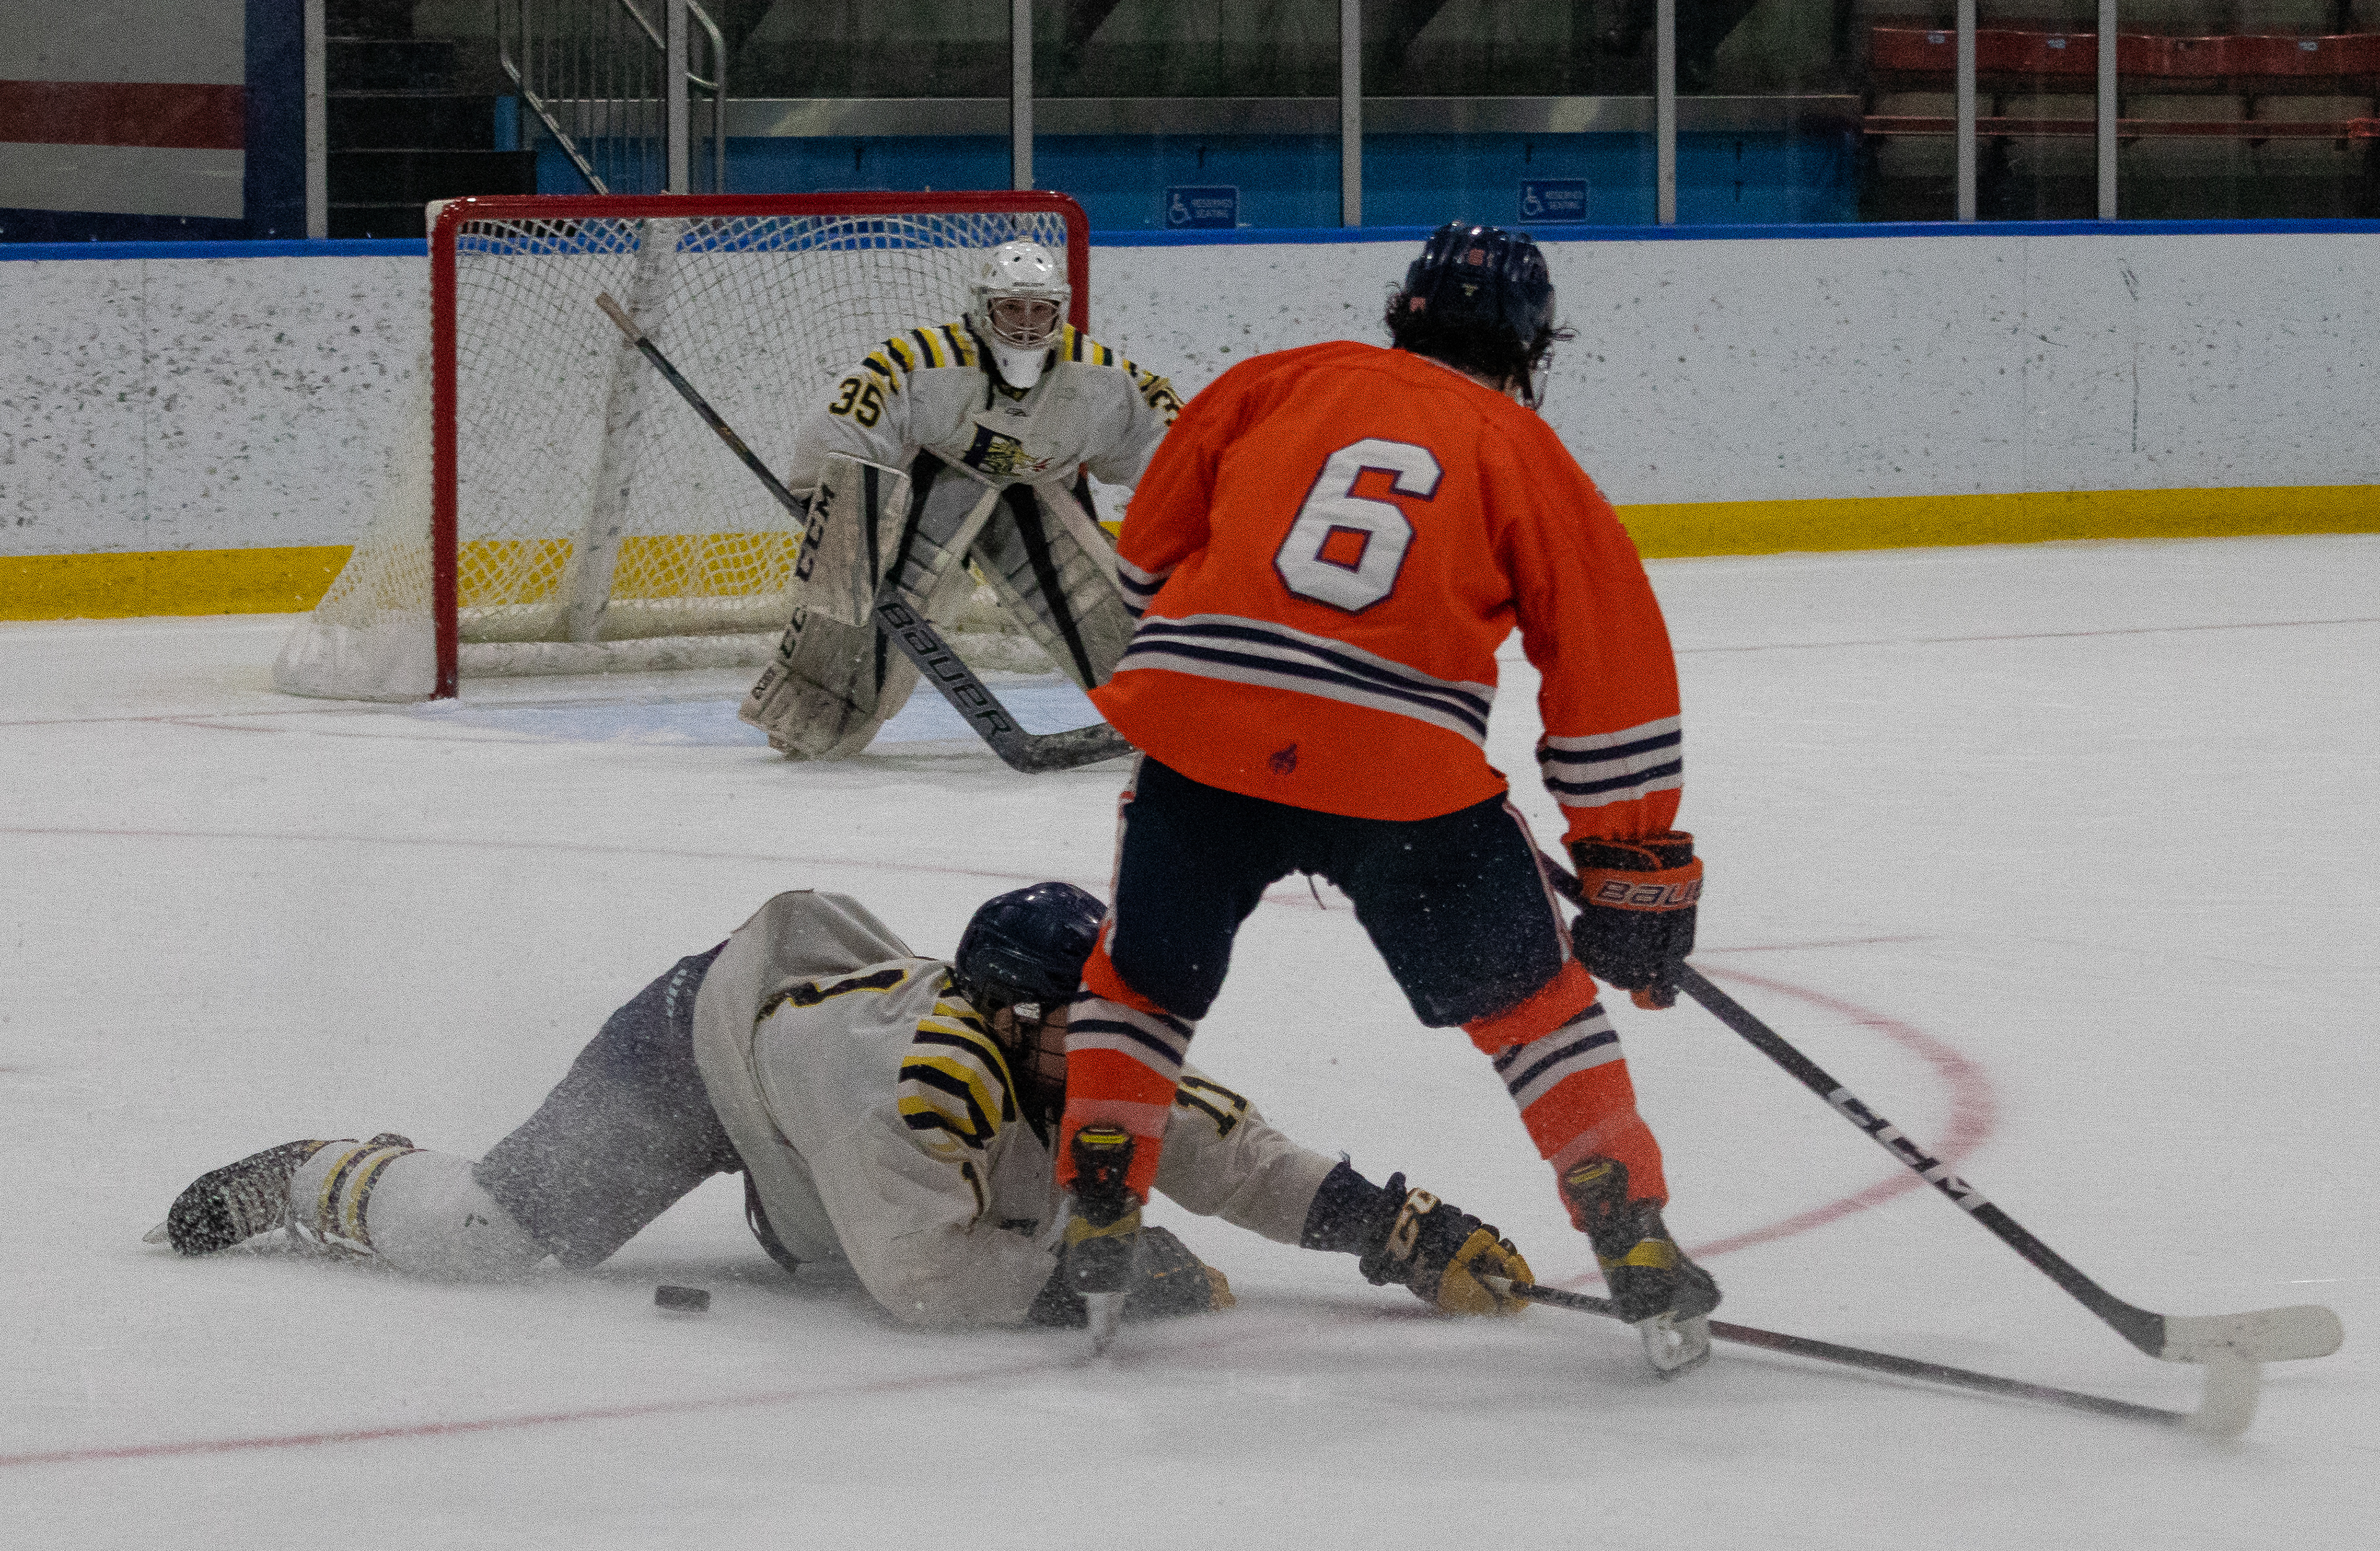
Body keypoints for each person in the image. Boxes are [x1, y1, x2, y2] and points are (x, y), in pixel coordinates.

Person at [1051, 222, 1721, 1368]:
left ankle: (1102, 1207)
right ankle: (1630, 1228)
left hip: (1201, 732)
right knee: (1532, 1007)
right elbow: (1609, 668)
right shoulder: (1523, 449)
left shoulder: (1273, 383)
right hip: (1401, 770)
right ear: (1527, 346)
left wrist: (1228, 669)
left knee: (1144, 979)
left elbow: (1145, 560)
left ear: (1404, 313)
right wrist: (1631, 863)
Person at [152, 884, 1532, 1330]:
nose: (1108, 1041)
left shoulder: (1075, 1044)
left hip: (811, 1144)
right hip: (702, 1054)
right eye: (1074, 1021)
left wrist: (1392, 1228)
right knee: (497, 1238)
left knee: (886, 1219)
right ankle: (320, 1175)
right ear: (1002, 1016)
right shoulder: (914, 1088)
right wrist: (1092, 1276)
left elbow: (1235, 1154)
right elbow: (923, 1282)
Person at [742, 239, 1185, 759]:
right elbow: (846, 429)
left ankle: (1171, 711)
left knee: (1099, 603)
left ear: (1059, 312)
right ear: (982, 307)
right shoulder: (920, 358)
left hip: (1039, 500)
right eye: (1010, 307)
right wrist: (835, 515)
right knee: (861, 603)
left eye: (1039, 309)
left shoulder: (1104, 377)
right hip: (933, 495)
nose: (1024, 323)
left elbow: (1175, 453)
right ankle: (817, 712)